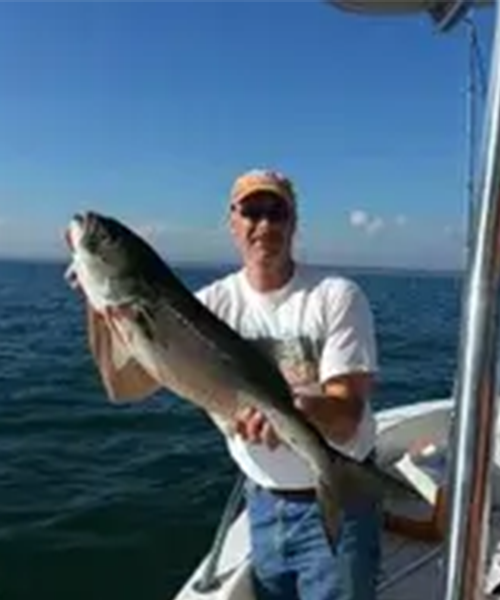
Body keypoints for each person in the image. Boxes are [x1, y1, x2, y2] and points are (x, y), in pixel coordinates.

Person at [196, 168, 381, 600]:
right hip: (260, 504)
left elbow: (347, 419)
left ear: (293, 222)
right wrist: (100, 307)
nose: (263, 225)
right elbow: (125, 387)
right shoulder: (207, 307)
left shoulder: (336, 296)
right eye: (251, 211)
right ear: (232, 221)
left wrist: (291, 409)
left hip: (337, 503)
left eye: (276, 212)